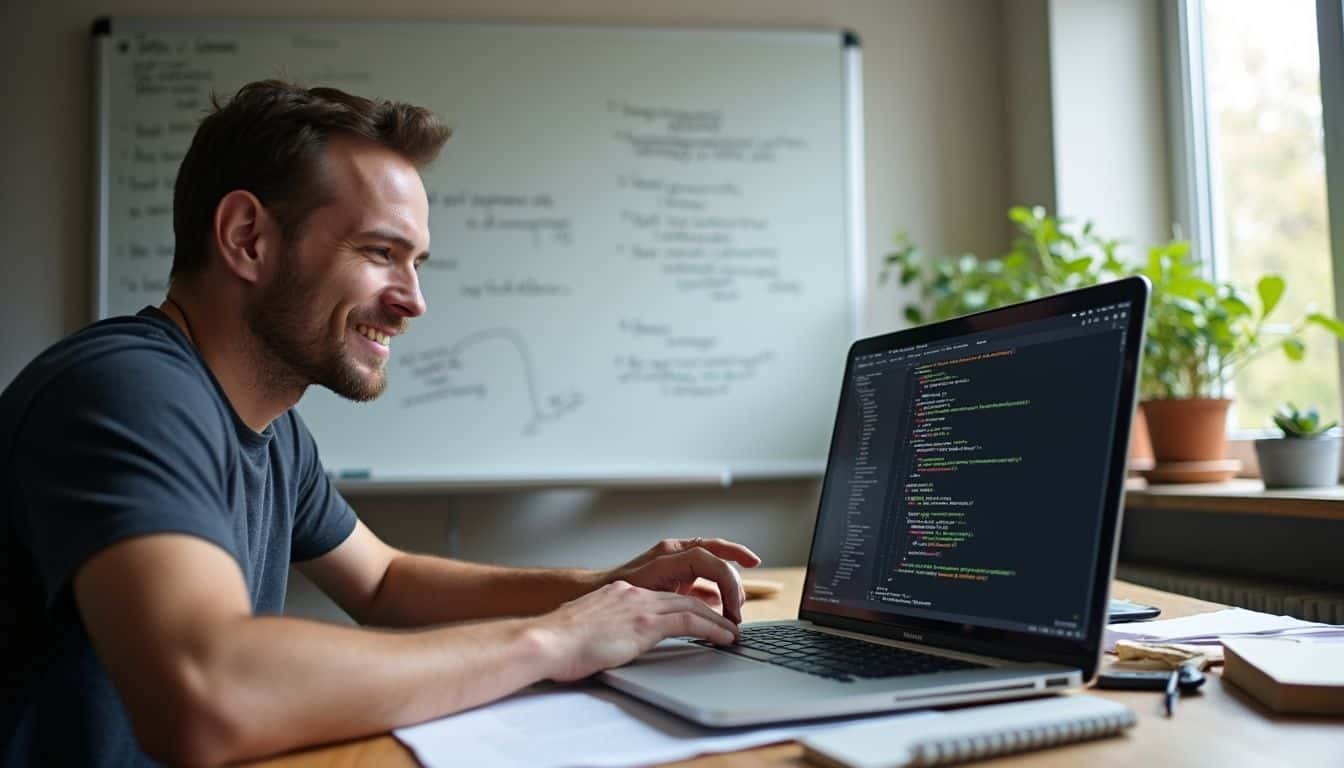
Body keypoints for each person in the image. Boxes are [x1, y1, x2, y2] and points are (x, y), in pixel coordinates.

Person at [0, 80, 760, 766]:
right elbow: (210, 692)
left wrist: (604, 587)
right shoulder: (125, 391)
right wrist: (555, 639)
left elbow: (385, 580)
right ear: (246, 238)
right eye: (379, 252)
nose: (414, 299)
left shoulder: (269, 426)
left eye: (417, 260)